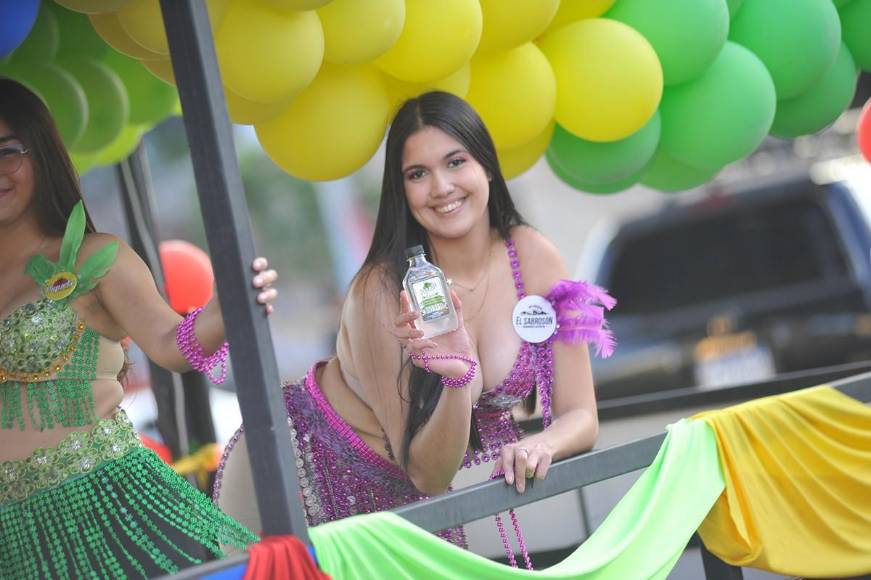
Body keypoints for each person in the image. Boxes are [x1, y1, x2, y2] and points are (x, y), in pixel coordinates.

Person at [214, 90, 616, 566]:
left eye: (455, 162)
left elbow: (581, 417)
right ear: (401, 190)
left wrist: (540, 444)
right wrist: (458, 378)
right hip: (302, 483)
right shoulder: (382, 293)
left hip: (416, 502)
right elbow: (426, 472)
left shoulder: (532, 257)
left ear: (486, 165)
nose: (441, 187)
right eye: (417, 174)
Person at [0, 77, 277, 578]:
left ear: (39, 154)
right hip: (12, 539)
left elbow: (171, 343)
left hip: (107, 509)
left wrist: (227, 306)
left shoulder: (93, 257)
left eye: (6, 151)